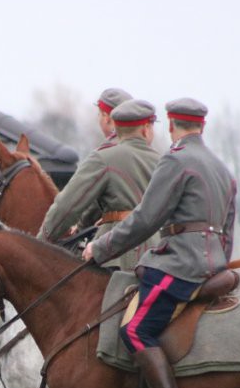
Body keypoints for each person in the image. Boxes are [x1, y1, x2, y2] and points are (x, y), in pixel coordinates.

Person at [82, 98, 237, 388]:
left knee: (135, 329)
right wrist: (218, 263)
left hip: (181, 265)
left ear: (170, 126)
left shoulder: (176, 160)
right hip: (215, 264)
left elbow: (144, 220)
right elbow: (228, 229)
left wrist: (100, 249)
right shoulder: (222, 169)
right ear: (202, 126)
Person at [38, 99, 161, 271]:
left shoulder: (103, 158)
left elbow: (67, 206)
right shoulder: (165, 162)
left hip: (117, 257)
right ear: (146, 129)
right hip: (160, 255)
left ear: (115, 125)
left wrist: (40, 244)